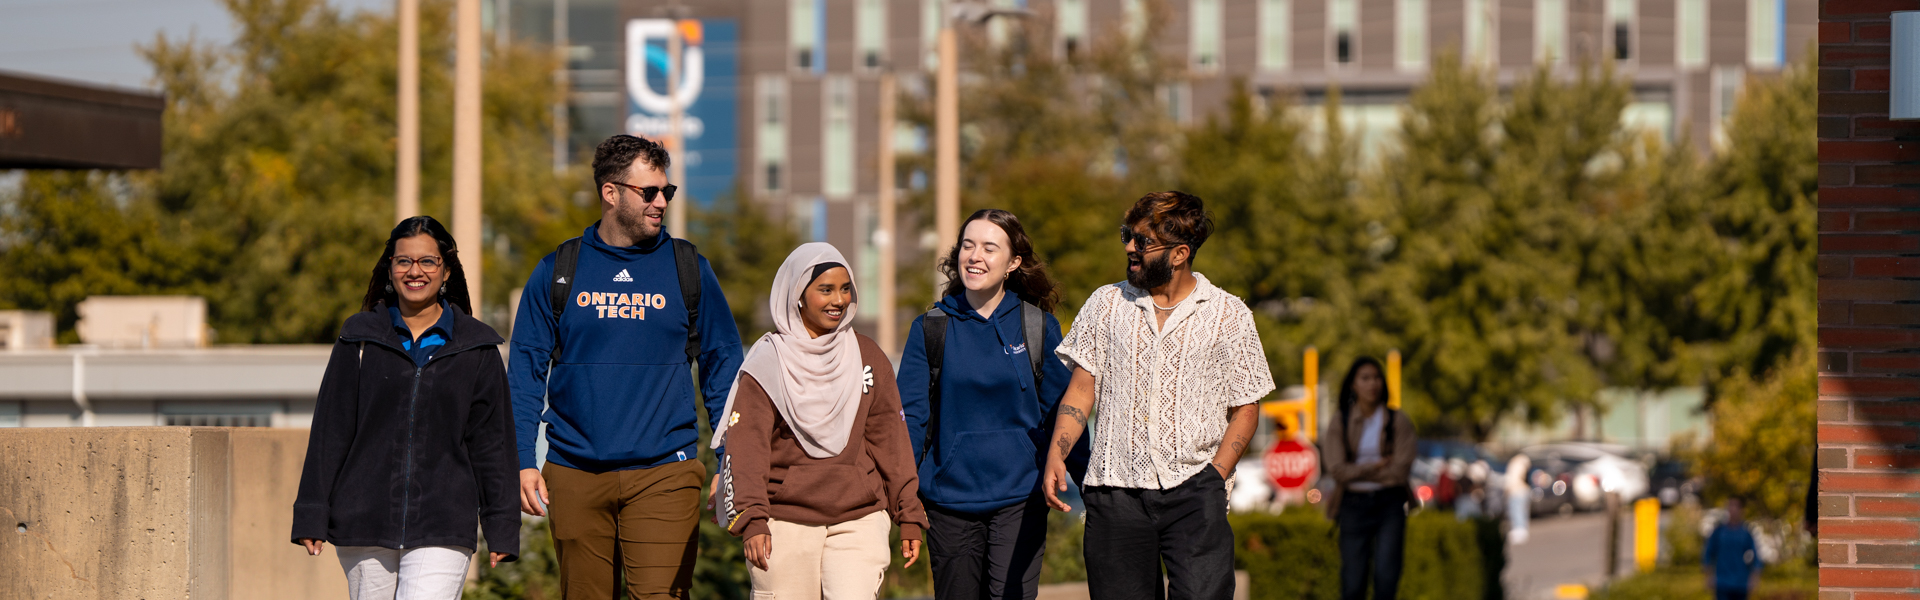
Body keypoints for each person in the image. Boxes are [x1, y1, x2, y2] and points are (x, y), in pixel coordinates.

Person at [508, 135, 745, 600]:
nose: (661, 203)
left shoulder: (689, 269)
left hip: (665, 470)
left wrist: (729, 457)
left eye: (666, 192)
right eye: (649, 193)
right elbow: (525, 372)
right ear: (610, 192)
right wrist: (521, 460)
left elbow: (724, 369)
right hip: (573, 470)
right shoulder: (558, 271)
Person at [1040, 191, 1274, 600]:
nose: (1130, 247)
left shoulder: (1229, 314)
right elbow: (1080, 390)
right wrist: (1058, 452)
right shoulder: (1105, 304)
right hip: (1114, 494)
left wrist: (1214, 477)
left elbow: (1246, 408)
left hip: (1195, 492)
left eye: (1143, 241)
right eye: (1127, 235)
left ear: (1180, 253)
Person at [292, 215, 519, 599]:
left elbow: (492, 445)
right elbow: (330, 431)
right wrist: (312, 513)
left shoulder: (477, 348)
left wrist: (501, 525)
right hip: (364, 521)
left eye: (427, 261)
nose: (415, 271)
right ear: (390, 269)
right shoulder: (358, 339)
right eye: (404, 261)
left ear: (446, 270)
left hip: (444, 522)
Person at [710, 243, 928, 600]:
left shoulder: (868, 357)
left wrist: (909, 514)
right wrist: (751, 519)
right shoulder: (768, 363)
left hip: (859, 518)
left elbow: (891, 441)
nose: (838, 300)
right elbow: (746, 446)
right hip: (783, 520)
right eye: (825, 289)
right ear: (797, 295)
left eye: (845, 289)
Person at [900, 209, 1088, 600]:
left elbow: (1062, 412)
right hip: (947, 502)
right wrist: (904, 501)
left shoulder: (1037, 326)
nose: (975, 256)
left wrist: (1093, 486)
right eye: (968, 246)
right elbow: (911, 420)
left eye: (989, 247)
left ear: (1012, 263)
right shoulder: (930, 328)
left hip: (1020, 498)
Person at [1322, 357, 1417, 600]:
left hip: (1389, 504)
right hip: (1353, 504)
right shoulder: (1340, 421)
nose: (1372, 384)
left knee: (1386, 579)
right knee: (1353, 583)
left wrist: (1357, 469)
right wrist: (1375, 466)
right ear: (1353, 384)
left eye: (1376, 377)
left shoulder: (1398, 421)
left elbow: (1399, 472)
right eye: (1365, 378)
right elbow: (1337, 470)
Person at [1704, 496, 1763, 600]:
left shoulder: (1745, 533)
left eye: (1736, 506)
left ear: (1741, 510)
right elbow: (1708, 553)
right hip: (1722, 583)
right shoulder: (1719, 532)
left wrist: (1754, 578)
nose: (1732, 509)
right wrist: (1709, 576)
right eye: (1730, 505)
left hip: (1740, 583)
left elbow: (1756, 557)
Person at [1505, 453, 1532, 544]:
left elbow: (1515, 478)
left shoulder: (1518, 462)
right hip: (1522, 490)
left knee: (1517, 511)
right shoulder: (1524, 462)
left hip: (1517, 490)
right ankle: (1521, 529)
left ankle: (1520, 530)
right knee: (1520, 511)